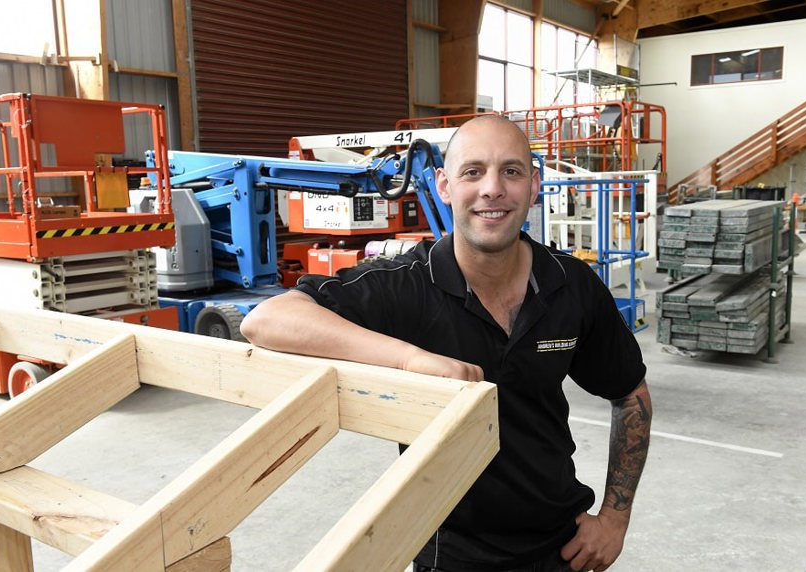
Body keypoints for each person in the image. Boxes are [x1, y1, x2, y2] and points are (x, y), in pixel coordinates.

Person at [241, 115, 652, 572]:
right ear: (443, 185)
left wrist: (614, 520)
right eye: (472, 171)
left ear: (535, 185)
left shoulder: (570, 284)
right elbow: (268, 319)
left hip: (560, 547)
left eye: (511, 171)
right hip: (447, 554)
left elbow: (631, 395)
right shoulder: (406, 286)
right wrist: (409, 359)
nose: (492, 189)